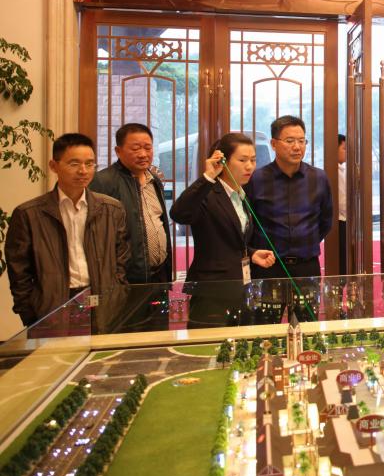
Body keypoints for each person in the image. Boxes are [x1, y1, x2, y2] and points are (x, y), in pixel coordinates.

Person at [5, 133, 129, 332]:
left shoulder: (111, 209)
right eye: (74, 164)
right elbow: (19, 271)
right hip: (52, 307)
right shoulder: (29, 213)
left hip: (101, 302)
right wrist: (30, 312)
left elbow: (121, 259)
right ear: (54, 166)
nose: (83, 171)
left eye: (90, 164)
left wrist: (118, 294)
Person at [170, 133, 275, 328]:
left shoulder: (241, 195)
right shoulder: (208, 192)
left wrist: (252, 253)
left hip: (240, 288)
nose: (250, 166)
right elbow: (179, 214)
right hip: (212, 291)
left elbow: (230, 240)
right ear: (223, 161)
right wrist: (208, 177)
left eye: (253, 160)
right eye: (242, 160)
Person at [244, 115, 333, 319]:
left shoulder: (318, 178)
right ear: (274, 144)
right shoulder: (256, 179)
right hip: (268, 267)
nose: (297, 147)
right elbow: (247, 222)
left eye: (302, 141)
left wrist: (305, 240)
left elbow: (325, 221)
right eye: (290, 141)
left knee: (306, 325)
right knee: (264, 326)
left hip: (306, 266)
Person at [90, 123, 172, 330]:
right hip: (127, 281)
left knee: (159, 337)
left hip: (158, 277)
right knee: (129, 337)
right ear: (118, 151)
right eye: (136, 148)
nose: (143, 154)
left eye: (148, 147)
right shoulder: (103, 182)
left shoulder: (154, 180)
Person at [337, 134, 347, 276]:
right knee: (341, 263)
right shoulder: (336, 172)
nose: (347, 152)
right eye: (344, 149)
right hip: (340, 221)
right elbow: (342, 201)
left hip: (343, 220)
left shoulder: (341, 169)